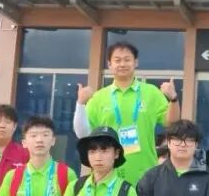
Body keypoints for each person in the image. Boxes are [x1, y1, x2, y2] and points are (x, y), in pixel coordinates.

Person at [74, 41, 180, 186]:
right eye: (117, 60)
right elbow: (82, 133)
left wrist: (173, 98)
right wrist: (80, 103)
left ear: (136, 62)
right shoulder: (99, 97)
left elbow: (172, 122)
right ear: (109, 64)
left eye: (127, 59)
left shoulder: (151, 93)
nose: (122, 64)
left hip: (145, 174)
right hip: (108, 175)